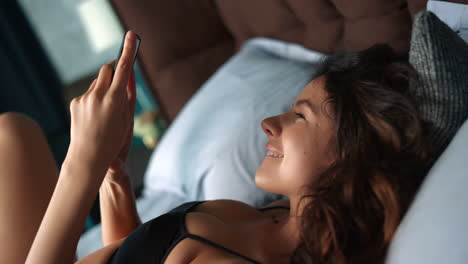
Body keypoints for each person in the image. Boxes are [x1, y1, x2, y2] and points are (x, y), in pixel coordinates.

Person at [0, 30, 431, 264]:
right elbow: (130, 253)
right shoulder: (270, 216)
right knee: (13, 132)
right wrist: (115, 173)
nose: (268, 124)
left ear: (348, 159)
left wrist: (83, 163)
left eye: (300, 116)